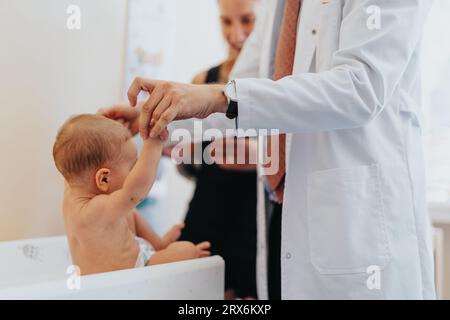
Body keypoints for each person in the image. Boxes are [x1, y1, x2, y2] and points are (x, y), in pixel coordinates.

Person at [103, 0, 436, 299]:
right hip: (284, 209)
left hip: (355, 223)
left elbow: (360, 87)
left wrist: (221, 98)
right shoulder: (283, 6)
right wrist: (158, 115)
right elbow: (243, 87)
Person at [53, 114, 210, 275]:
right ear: (104, 179)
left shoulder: (72, 191)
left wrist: (110, 132)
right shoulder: (94, 210)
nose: (135, 172)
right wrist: (154, 144)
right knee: (186, 250)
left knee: (128, 212)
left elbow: (80, 154)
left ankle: (159, 244)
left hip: (132, 261)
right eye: (132, 167)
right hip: (126, 276)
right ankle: (177, 252)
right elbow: (135, 193)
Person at [174, 0, 259, 300]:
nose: (236, 34)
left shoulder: (280, 85)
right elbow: (187, 160)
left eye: (248, 20)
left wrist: (259, 158)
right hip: (206, 210)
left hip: (255, 218)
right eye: (227, 21)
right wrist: (180, 150)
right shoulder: (202, 81)